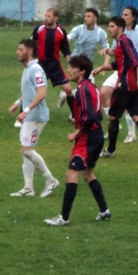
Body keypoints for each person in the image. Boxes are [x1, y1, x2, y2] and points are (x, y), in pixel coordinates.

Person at [45, 54, 110, 226]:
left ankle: (64, 218)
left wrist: (76, 134)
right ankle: (104, 210)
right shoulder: (91, 86)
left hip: (87, 138)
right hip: (97, 136)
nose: (69, 70)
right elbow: (98, 114)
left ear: (82, 71)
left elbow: (90, 117)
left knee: (71, 173)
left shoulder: (82, 90)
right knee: (87, 174)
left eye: (72, 67)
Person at [93, 16, 138, 161]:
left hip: (125, 85)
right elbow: (119, 64)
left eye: (112, 26)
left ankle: (111, 150)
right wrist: (102, 68)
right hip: (133, 87)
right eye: (109, 26)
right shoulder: (120, 42)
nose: (109, 29)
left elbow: (136, 60)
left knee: (113, 116)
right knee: (137, 117)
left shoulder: (124, 41)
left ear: (120, 28)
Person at [100, 6, 138, 144]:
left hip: (134, 72)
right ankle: (114, 123)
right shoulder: (120, 31)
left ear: (134, 17)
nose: (123, 16)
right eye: (123, 14)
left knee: (127, 101)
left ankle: (131, 134)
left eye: (126, 15)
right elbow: (115, 52)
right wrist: (106, 50)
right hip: (120, 70)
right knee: (103, 94)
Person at [8, 38, 58, 197]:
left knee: (27, 150)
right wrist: (17, 103)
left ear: (29, 52)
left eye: (21, 49)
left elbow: (41, 93)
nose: (18, 52)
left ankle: (50, 180)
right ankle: (28, 188)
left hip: (36, 117)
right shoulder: (28, 68)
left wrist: (26, 110)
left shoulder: (36, 70)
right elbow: (29, 92)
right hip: (30, 116)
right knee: (26, 150)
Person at [31, 8, 73, 112]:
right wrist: (31, 60)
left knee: (68, 89)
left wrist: (71, 64)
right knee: (32, 91)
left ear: (56, 18)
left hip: (55, 65)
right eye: (45, 16)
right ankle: (24, 115)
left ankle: (74, 115)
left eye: (49, 16)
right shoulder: (39, 29)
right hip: (40, 65)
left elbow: (66, 50)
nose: (46, 18)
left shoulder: (61, 31)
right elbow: (31, 44)